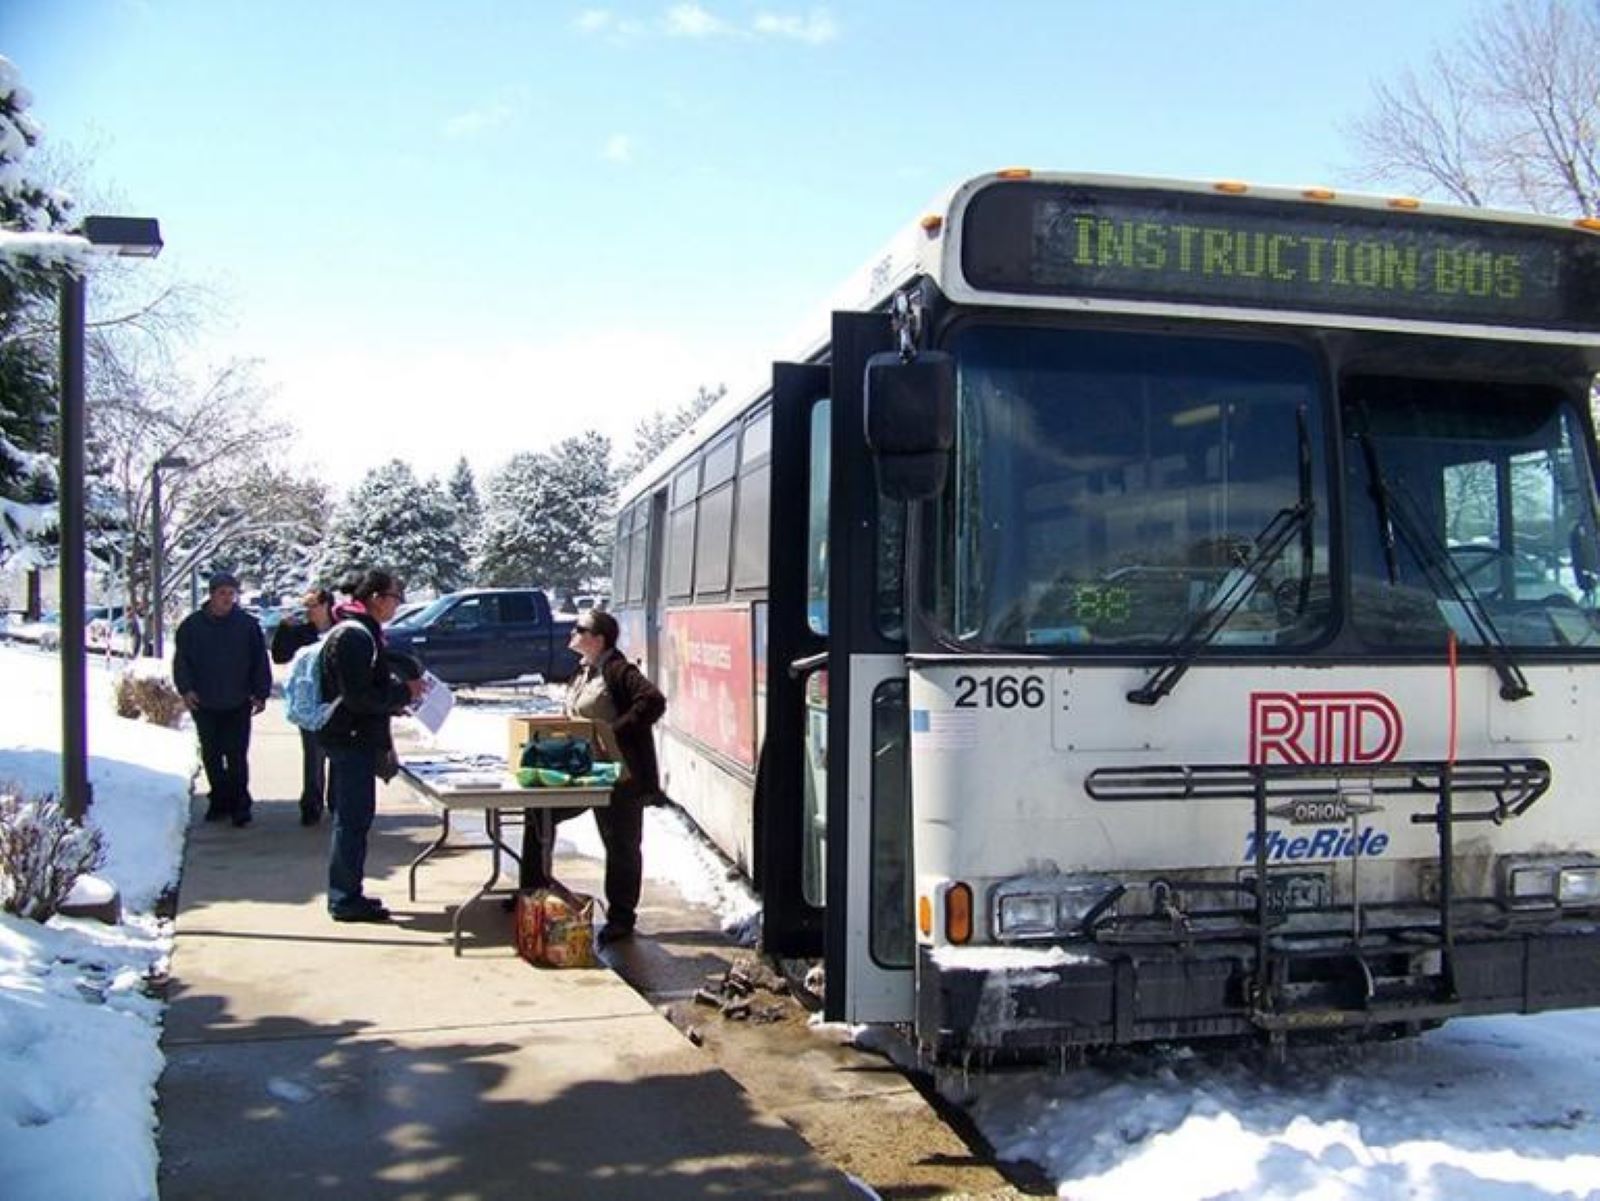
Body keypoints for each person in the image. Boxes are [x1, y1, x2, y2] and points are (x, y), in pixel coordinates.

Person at [518, 609, 666, 945]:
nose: (573, 632)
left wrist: (614, 733)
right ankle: (532, 893)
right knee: (538, 815)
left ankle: (621, 918)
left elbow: (653, 701)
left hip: (618, 776)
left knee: (621, 845)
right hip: (582, 774)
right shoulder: (584, 671)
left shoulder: (618, 670)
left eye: (580, 628)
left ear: (598, 639)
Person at [316, 570, 427, 923]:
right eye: (396, 597)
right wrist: (401, 693)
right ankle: (344, 898)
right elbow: (359, 696)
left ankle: (348, 893)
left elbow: (363, 692)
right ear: (377, 598)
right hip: (351, 740)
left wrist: (394, 701)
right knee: (351, 821)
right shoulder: (355, 636)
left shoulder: (361, 631)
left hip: (352, 737)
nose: (398, 604)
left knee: (353, 820)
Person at [173, 571, 273, 827]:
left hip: (238, 701)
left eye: (231, 593)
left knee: (237, 755)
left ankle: (240, 804)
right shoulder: (192, 626)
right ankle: (219, 800)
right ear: (212, 594)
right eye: (222, 593)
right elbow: (182, 661)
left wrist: (260, 692)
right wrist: (186, 689)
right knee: (212, 755)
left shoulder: (247, 625)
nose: (227, 598)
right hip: (204, 702)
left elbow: (259, 660)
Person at [271, 587, 337, 826]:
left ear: (326, 605)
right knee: (313, 753)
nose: (308, 611)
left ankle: (336, 803)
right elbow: (279, 656)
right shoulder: (301, 633)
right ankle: (311, 805)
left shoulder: (341, 630)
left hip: (336, 701)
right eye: (305, 606)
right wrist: (284, 629)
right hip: (309, 701)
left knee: (338, 754)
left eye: (312, 605)